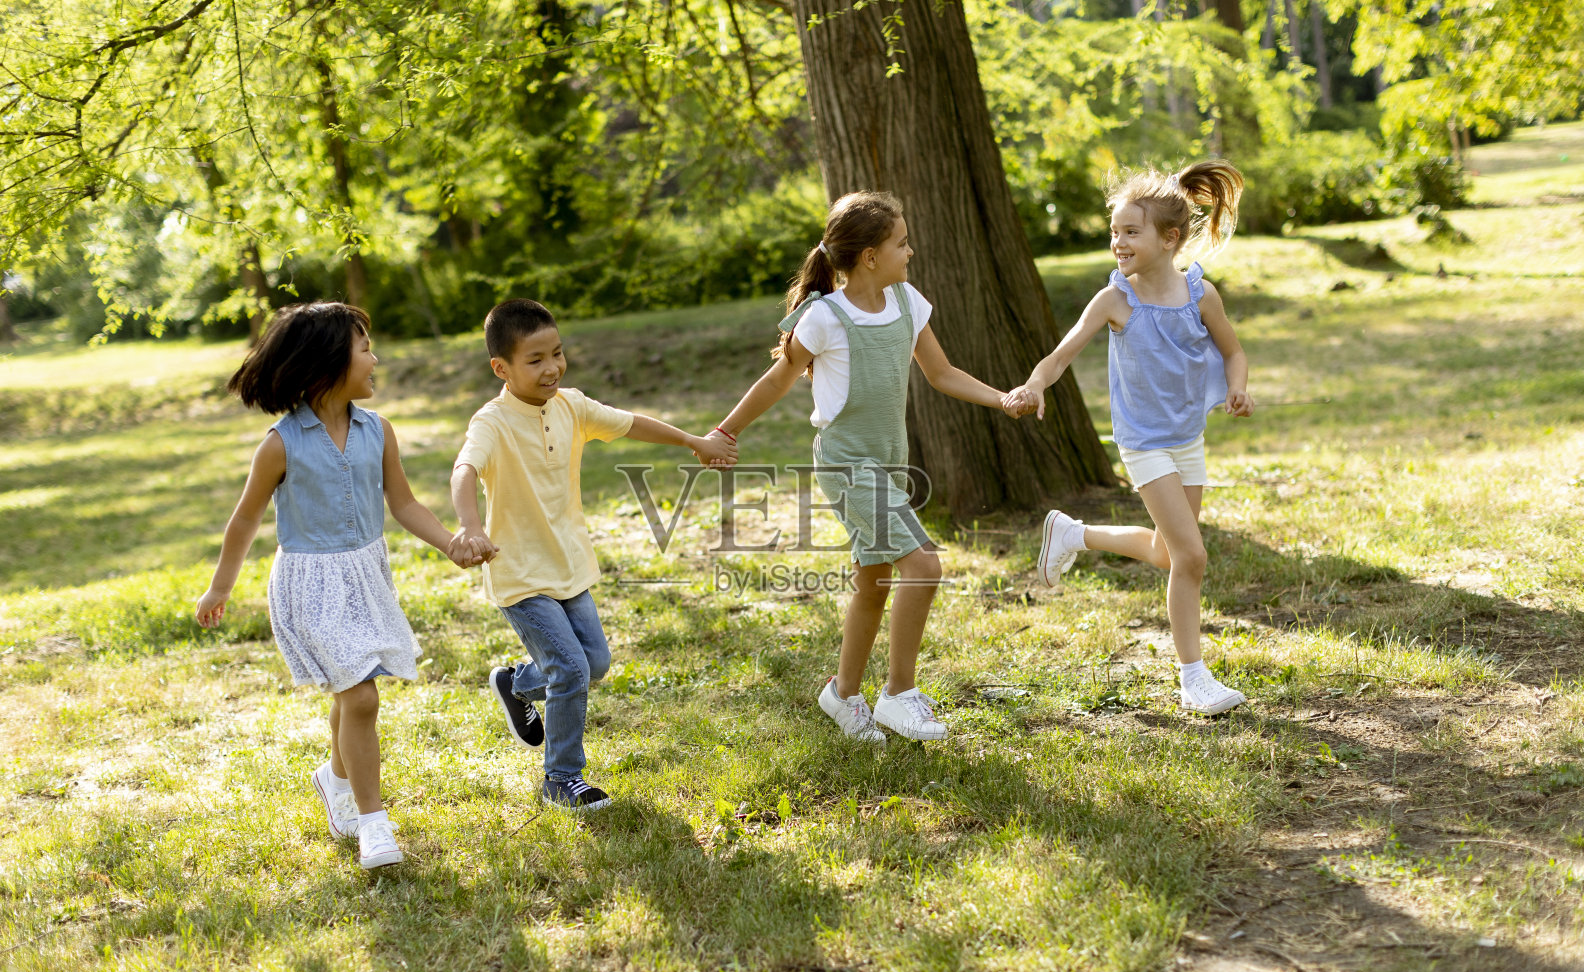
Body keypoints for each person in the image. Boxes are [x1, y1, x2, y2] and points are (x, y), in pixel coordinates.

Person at [712, 191, 1021, 744]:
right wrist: (725, 431)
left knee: (874, 584)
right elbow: (778, 380)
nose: (911, 251)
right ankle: (898, 694)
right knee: (923, 566)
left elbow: (942, 373)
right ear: (870, 257)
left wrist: (1001, 399)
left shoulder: (907, 302)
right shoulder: (825, 317)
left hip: (889, 461)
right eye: (902, 243)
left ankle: (843, 693)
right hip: (847, 464)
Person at [195, 302, 487, 869]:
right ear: (327, 362)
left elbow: (403, 503)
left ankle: (335, 778)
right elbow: (245, 519)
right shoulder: (281, 443)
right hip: (310, 585)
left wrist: (450, 543)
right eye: (365, 350)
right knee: (360, 695)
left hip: (365, 577)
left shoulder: (378, 430)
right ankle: (373, 822)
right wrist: (220, 588)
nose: (375, 360)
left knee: (351, 692)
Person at [449, 298, 735, 812]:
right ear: (501, 368)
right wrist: (471, 526)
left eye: (557, 353)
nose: (552, 367)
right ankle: (561, 779)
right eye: (535, 359)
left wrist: (694, 441)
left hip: (569, 564)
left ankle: (517, 684)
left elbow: (632, 423)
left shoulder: (572, 405)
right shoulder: (491, 421)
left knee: (594, 663)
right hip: (519, 571)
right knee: (570, 669)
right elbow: (464, 470)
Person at [1003, 159, 1254, 715]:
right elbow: (1061, 355)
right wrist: (1034, 385)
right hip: (1144, 442)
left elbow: (1233, 352)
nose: (1118, 242)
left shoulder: (1201, 295)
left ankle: (1073, 534)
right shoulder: (1116, 300)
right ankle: (1193, 677)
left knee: (1169, 554)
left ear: (1170, 239)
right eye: (1114, 231)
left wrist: (1237, 388)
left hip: (1187, 438)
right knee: (1192, 555)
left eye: (1131, 232)